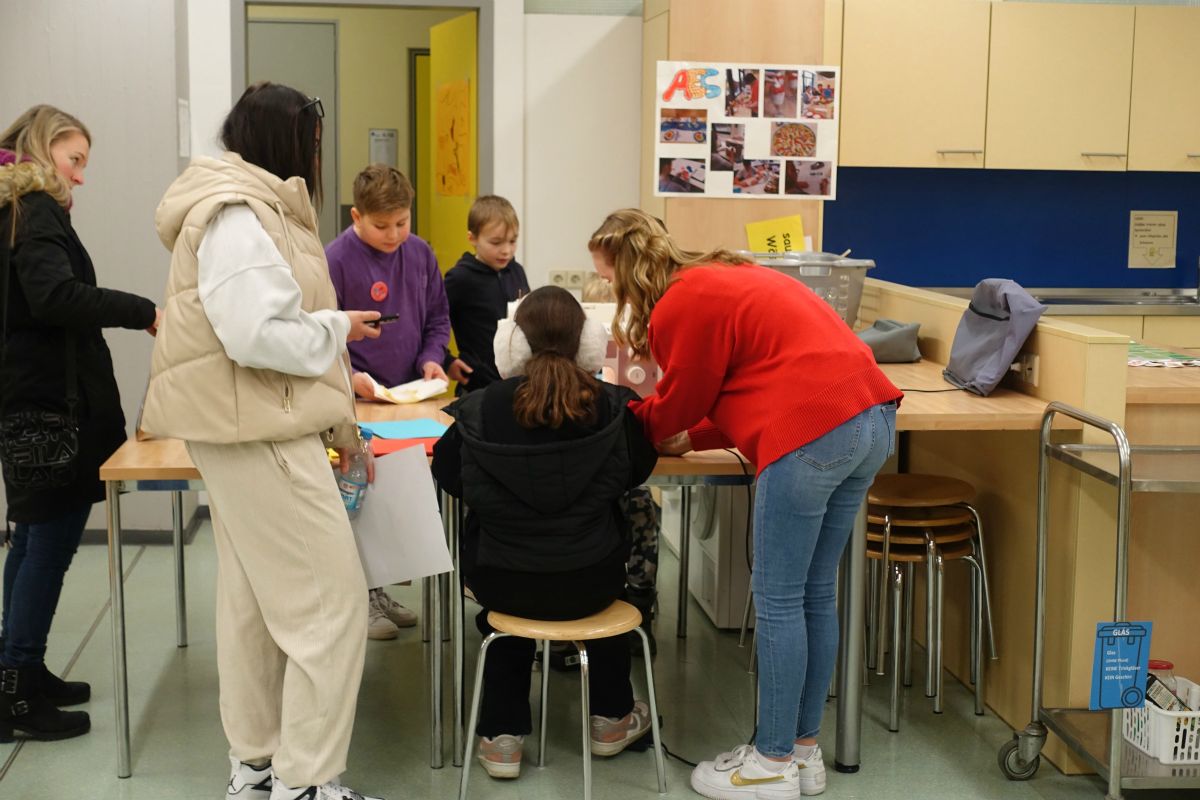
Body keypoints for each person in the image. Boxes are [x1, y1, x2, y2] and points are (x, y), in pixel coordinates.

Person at [588, 209, 901, 800]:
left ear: (628, 275)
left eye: (610, 282)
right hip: (870, 420)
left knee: (778, 600)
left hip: (813, 432)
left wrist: (631, 424)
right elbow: (750, 381)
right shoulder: (725, 274)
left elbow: (682, 399)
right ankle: (803, 752)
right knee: (815, 593)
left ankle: (770, 762)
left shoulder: (679, 304)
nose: (613, 295)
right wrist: (694, 435)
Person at [141, 82, 385, 800]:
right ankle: (305, 782)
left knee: (254, 606)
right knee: (331, 609)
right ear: (289, 140)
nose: (317, 155)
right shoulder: (240, 212)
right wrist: (335, 328)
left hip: (247, 427)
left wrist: (334, 388)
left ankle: (257, 768)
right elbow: (255, 335)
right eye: (313, 141)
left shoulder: (246, 206)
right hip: (261, 431)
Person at [431, 285, 658, 780]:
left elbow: (447, 475)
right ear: (589, 345)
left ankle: (502, 738)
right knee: (601, 591)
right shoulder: (612, 407)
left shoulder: (479, 409)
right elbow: (640, 468)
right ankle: (612, 721)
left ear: (512, 345)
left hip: (501, 580)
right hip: (592, 580)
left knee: (508, 610)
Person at [0, 105, 159, 743]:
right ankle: (17, 691)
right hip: (47, 409)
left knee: (31, 541)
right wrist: (143, 310)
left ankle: (19, 672)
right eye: (75, 160)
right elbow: (54, 297)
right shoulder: (35, 209)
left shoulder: (17, 208)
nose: (81, 176)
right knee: (47, 546)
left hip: (28, 402)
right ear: (43, 150)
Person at [325, 163, 449, 640]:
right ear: (356, 216)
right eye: (382, 226)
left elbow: (437, 317)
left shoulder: (420, 253)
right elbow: (322, 332)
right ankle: (362, 596)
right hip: (354, 402)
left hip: (408, 399)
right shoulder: (335, 259)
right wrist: (350, 376)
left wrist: (432, 359)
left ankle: (381, 588)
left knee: (400, 495)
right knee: (358, 494)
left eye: (402, 222)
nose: (394, 234)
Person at [442, 194, 529, 394]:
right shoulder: (460, 278)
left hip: (517, 385)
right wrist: (446, 360)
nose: (506, 250)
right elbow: (431, 321)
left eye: (512, 241)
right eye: (496, 243)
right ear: (472, 238)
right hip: (477, 387)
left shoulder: (517, 272)